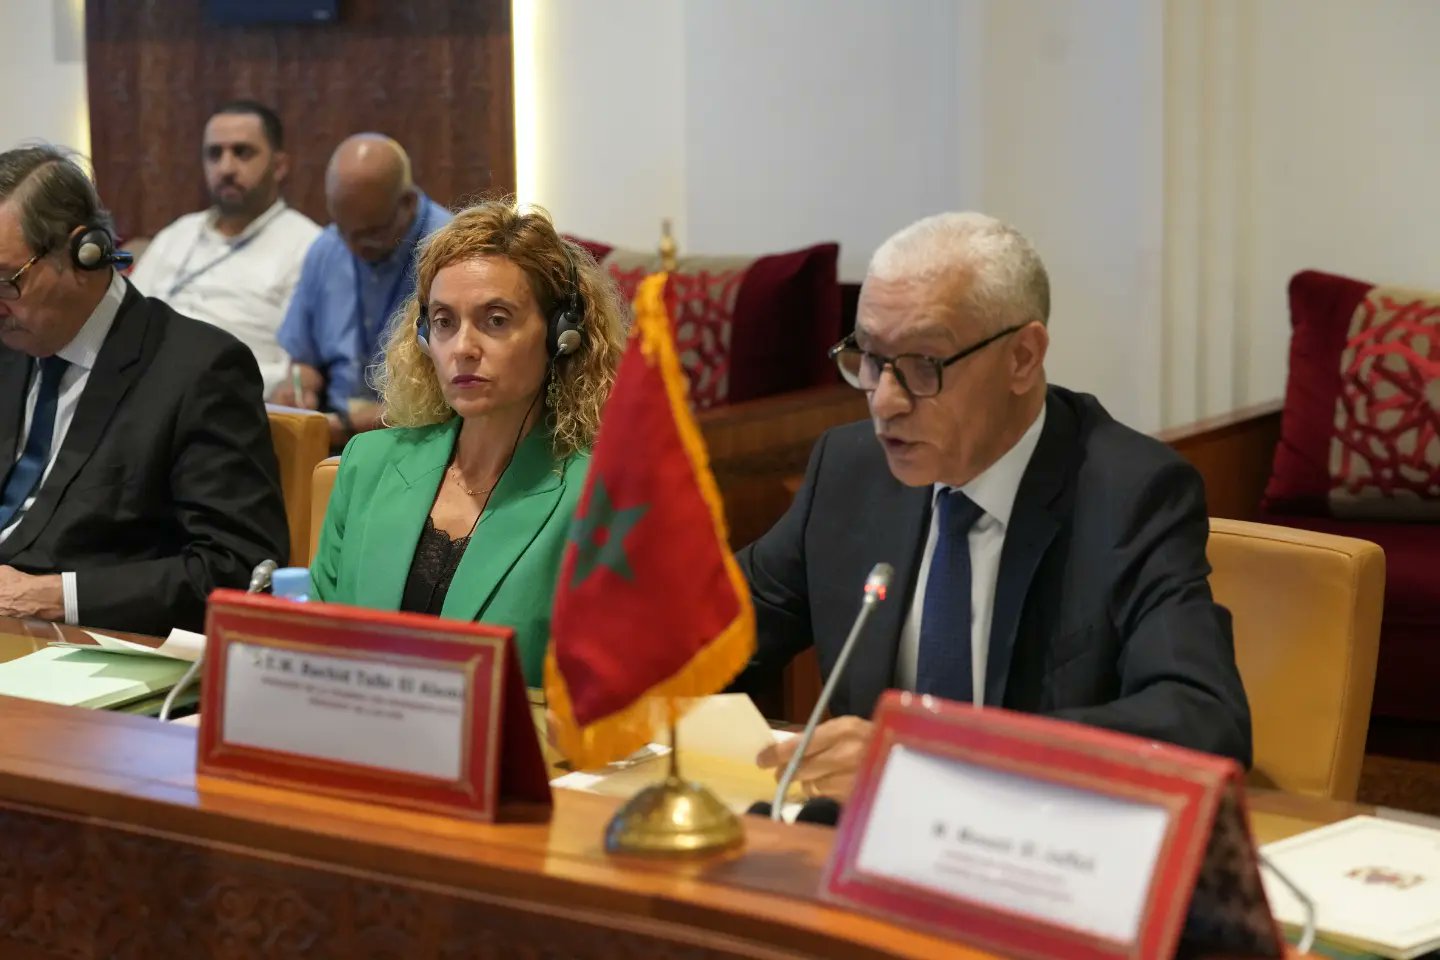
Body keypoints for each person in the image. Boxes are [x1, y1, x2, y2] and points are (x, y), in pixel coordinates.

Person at [736, 212, 1251, 801]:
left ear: (1023, 358)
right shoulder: (851, 471)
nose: (885, 400)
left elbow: (1204, 722)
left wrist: (927, 754)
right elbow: (709, 630)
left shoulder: (1129, 494)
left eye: (923, 365)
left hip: (1032, 854)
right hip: (859, 851)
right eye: (871, 358)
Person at [308, 201, 626, 686]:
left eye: (496, 320)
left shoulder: (601, 496)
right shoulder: (367, 466)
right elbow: (319, 656)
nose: (463, 347)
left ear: (562, 335)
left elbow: (612, 692)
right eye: (443, 322)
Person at [0, 145, 288, 635]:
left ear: (84, 254)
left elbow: (238, 569)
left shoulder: (199, 370)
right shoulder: (11, 348)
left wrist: (54, 596)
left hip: (81, 648)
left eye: (6, 280)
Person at [128, 101, 321, 396]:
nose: (226, 168)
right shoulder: (178, 234)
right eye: (214, 154)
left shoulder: (308, 247)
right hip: (142, 390)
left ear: (279, 166)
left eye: (242, 152)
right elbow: (126, 320)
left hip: (227, 400)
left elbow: (296, 373)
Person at [274, 134, 452, 447]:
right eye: (345, 231)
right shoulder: (328, 247)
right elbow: (304, 359)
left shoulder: (453, 252)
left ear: (407, 203)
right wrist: (298, 388)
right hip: (333, 432)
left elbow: (454, 395)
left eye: (370, 233)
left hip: (420, 438)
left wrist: (347, 425)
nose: (354, 248)